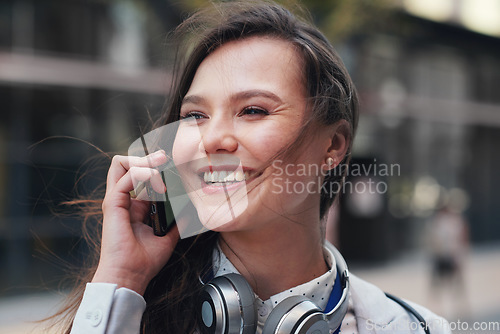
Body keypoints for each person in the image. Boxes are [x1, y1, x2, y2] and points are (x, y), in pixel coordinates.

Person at [53, 1, 451, 333]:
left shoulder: (415, 327)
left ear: (332, 145)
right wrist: (121, 280)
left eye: (253, 110)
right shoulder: (126, 311)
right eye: (194, 116)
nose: (212, 139)